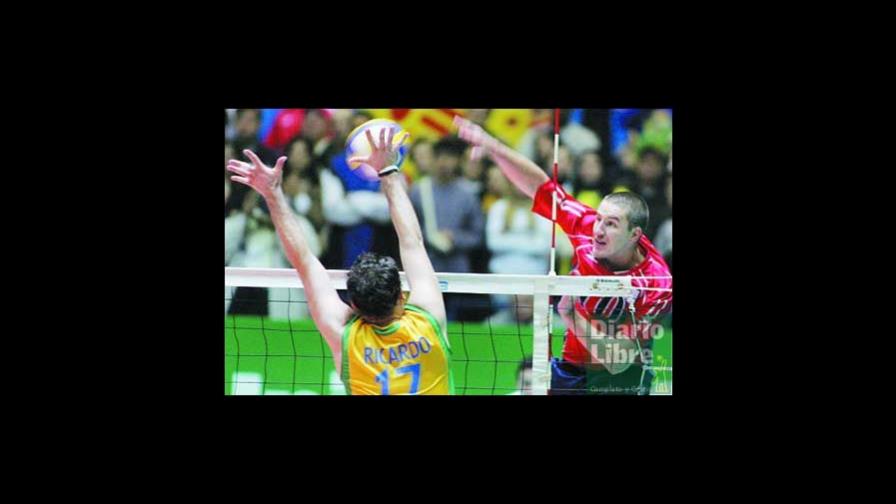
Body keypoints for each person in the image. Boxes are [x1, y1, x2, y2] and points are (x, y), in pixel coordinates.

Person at [454, 116, 672, 395]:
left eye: (611, 224)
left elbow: (619, 361)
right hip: (573, 367)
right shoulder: (585, 228)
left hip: (623, 374)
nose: (598, 230)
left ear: (634, 235)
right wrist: (493, 146)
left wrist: (571, 316)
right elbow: (541, 188)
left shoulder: (657, 283)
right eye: (599, 219)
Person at [227, 127, 454, 395]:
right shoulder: (428, 318)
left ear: (353, 304)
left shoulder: (345, 336)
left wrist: (273, 195)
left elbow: (304, 262)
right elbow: (412, 242)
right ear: (401, 297)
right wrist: (389, 172)